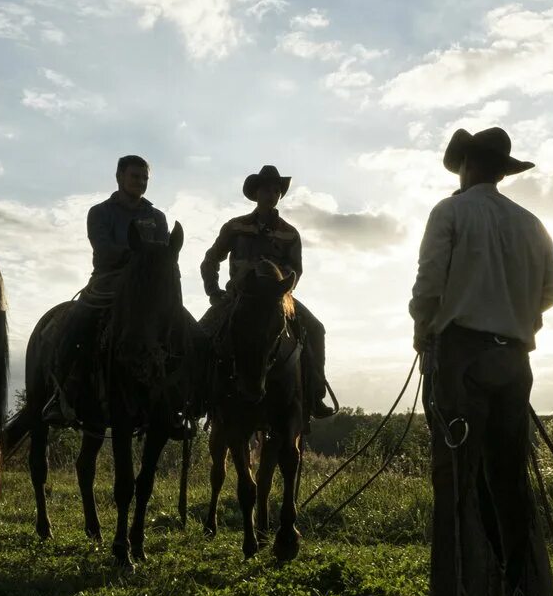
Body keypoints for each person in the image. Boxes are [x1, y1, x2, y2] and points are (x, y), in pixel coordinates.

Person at [409, 127, 553, 596]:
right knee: (509, 475)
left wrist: (424, 326)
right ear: (501, 170)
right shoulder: (532, 223)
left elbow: (429, 283)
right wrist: (520, 317)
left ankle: (457, 594)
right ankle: (519, 588)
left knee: (455, 473)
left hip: (461, 357)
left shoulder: (450, 211)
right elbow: (552, 292)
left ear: (467, 167)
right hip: (514, 360)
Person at [43, 155, 170, 425]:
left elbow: (166, 254)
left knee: (183, 327)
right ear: (120, 177)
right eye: (135, 176)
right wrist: (138, 256)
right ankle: (62, 392)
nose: (141, 182)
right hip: (107, 282)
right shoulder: (100, 212)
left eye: (145, 178)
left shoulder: (157, 217)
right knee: (76, 322)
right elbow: (104, 249)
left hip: (147, 289)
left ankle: (178, 402)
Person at [200, 165, 335, 418]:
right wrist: (213, 292)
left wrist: (281, 291)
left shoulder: (290, 233)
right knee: (202, 332)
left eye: (276, 190)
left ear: (280, 195)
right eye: (266, 189)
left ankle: (315, 394)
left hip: (278, 299)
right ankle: (195, 396)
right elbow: (210, 260)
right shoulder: (235, 227)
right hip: (238, 297)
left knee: (316, 329)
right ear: (256, 193)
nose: (271, 194)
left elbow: (296, 271)